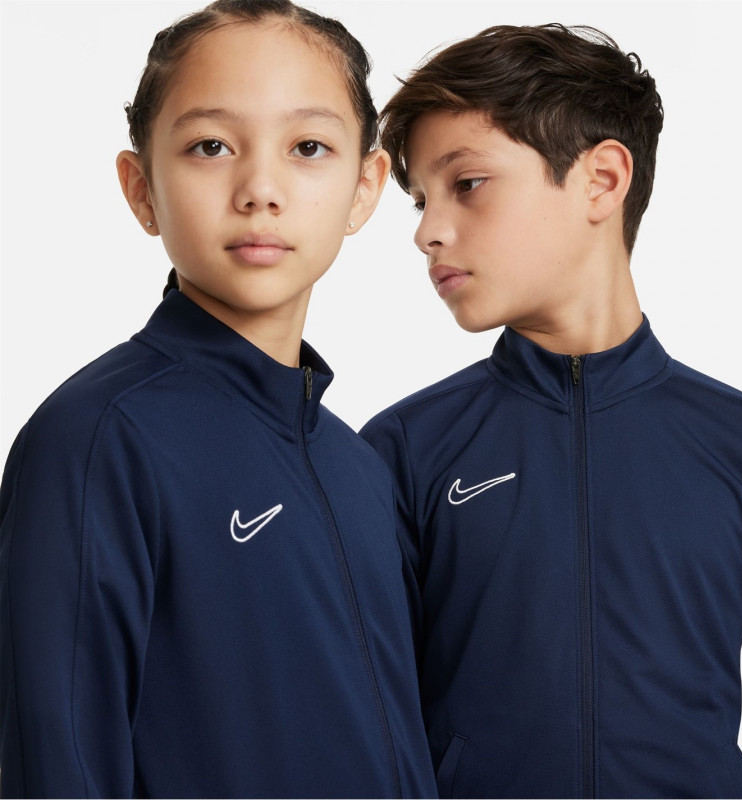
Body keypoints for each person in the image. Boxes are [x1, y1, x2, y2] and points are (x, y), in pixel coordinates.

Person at [0, 1, 437, 796]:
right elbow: (57, 762)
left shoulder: (361, 470)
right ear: (141, 189)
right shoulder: (96, 441)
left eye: (308, 147)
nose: (260, 189)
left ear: (364, 188)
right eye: (210, 146)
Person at [360, 23, 742, 799]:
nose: (428, 231)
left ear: (601, 180)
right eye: (422, 200)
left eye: (467, 183)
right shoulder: (402, 451)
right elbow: (367, 739)